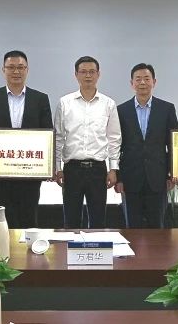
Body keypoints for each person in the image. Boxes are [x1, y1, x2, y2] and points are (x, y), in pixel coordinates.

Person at [0, 50, 53, 229]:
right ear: (3, 70)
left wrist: (49, 166)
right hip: (0, 174)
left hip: (30, 174)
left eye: (20, 67)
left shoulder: (40, 99)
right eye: (11, 67)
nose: (16, 71)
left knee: (29, 218)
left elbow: (47, 133)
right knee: (3, 221)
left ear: (27, 70)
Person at [53, 56, 121, 229]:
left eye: (92, 72)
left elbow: (114, 138)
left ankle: (96, 248)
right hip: (72, 169)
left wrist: (113, 169)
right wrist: (57, 167)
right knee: (71, 221)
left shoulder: (108, 104)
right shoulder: (65, 103)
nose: (88, 75)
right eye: (83, 72)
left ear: (98, 74)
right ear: (76, 74)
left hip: (98, 169)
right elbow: (58, 137)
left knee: (98, 221)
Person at [116, 63, 178, 228]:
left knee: (157, 227)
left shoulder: (166, 109)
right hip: (130, 178)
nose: (142, 82)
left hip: (158, 178)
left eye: (146, 78)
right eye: (138, 79)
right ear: (132, 83)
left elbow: (173, 145)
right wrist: (119, 177)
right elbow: (116, 146)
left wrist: (171, 174)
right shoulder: (121, 110)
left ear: (154, 82)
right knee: (132, 228)